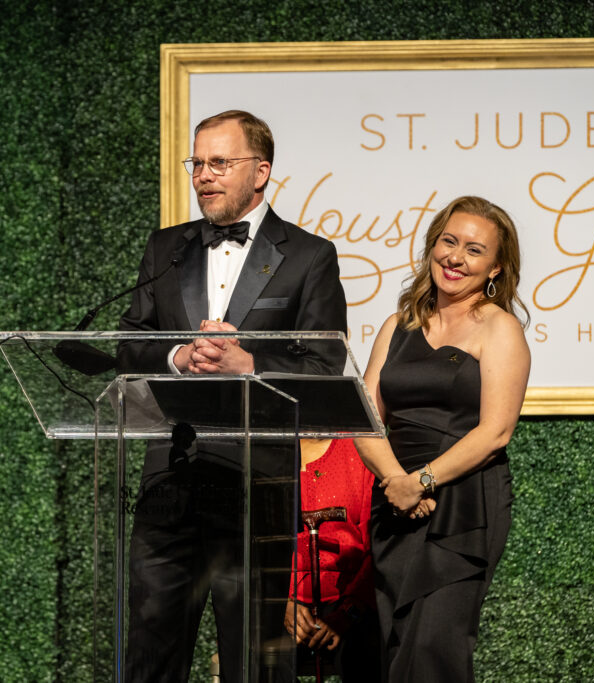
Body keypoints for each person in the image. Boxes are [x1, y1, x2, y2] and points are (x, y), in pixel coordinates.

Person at [117, 110, 348, 683]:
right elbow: (129, 343)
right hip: (171, 481)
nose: (204, 175)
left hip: (256, 488)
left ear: (261, 170)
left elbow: (324, 364)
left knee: (255, 662)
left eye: (220, 162)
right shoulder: (167, 248)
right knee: (150, 655)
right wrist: (177, 357)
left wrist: (248, 363)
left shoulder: (309, 256)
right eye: (198, 163)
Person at [356, 195, 531, 682]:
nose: (455, 257)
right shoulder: (397, 326)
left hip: (463, 502)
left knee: (435, 646)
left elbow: (495, 432)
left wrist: (424, 481)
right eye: (448, 242)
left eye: (474, 250)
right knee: (397, 642)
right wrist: (398, 480)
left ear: (496, 267)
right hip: (394, 499)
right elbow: (365, 419)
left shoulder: (500, 328)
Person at [280, 438, 380, 682]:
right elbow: (254, 545)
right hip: (284, 601)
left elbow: (376, 547)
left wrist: (349, 612)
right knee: (263, 656)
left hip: (349, 598)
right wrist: (281, 602)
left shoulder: (361, 449)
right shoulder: (270, 446)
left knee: (364, 650)